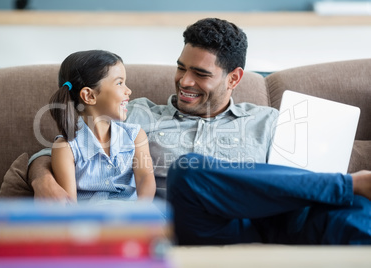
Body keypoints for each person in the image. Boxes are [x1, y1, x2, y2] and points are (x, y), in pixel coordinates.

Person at [28, 18, 371, 244]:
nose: (185, 81)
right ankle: (349, 183)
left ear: (234, 78)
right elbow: (66, 145)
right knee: (190, 172)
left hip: (274, 223)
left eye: (201, 74)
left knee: (355, 214)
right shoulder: (138, 117)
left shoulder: (268, 121)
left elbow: (296, 179)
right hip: (200, 226)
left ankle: (351, 190)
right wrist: (42, 178)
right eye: (181, 68)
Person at [48, 50, 156, 204]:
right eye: (119, 83)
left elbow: (146, 178)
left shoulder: (135, 135)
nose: (128, 91)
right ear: (89, 96)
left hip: (132, 217)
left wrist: (139, 214)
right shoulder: (66, 148)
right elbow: (69, 204)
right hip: (91, 221)